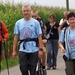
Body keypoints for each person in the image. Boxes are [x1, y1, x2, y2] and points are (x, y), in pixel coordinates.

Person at [12, 3, 43, 75]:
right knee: (23, 68)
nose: (26, 12)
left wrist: (40, 50)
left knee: (33, 68)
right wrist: (14, 50)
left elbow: (39, 36)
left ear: (30, 11)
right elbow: (16, 37)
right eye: (24, 11)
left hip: (34, 49)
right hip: (23, 49)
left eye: (27, 11)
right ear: (22, 12)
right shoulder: (18, 23)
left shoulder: (36, 23)